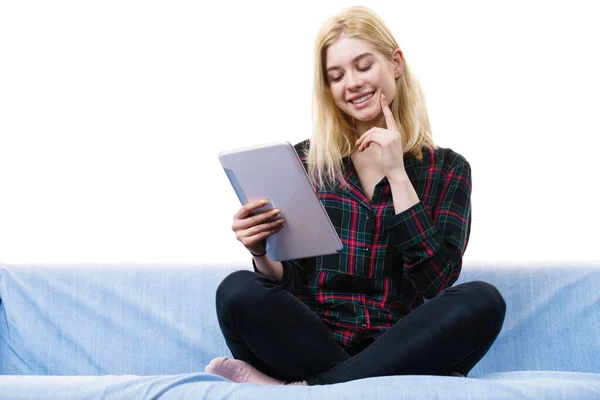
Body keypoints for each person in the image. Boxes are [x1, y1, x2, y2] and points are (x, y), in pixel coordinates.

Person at [205, 5, 506, 386]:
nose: (352, 83)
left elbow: (438, 282)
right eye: (336, 76)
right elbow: (291, 283)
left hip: (399, 345)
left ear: (396, 62)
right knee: (237, 289)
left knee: (483, 300)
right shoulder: (304, 163)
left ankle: (303, 391)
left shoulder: (448, 169)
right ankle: (358, 384)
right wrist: (261, 251)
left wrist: (397, 173)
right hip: (311, 343)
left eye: (363, 66)